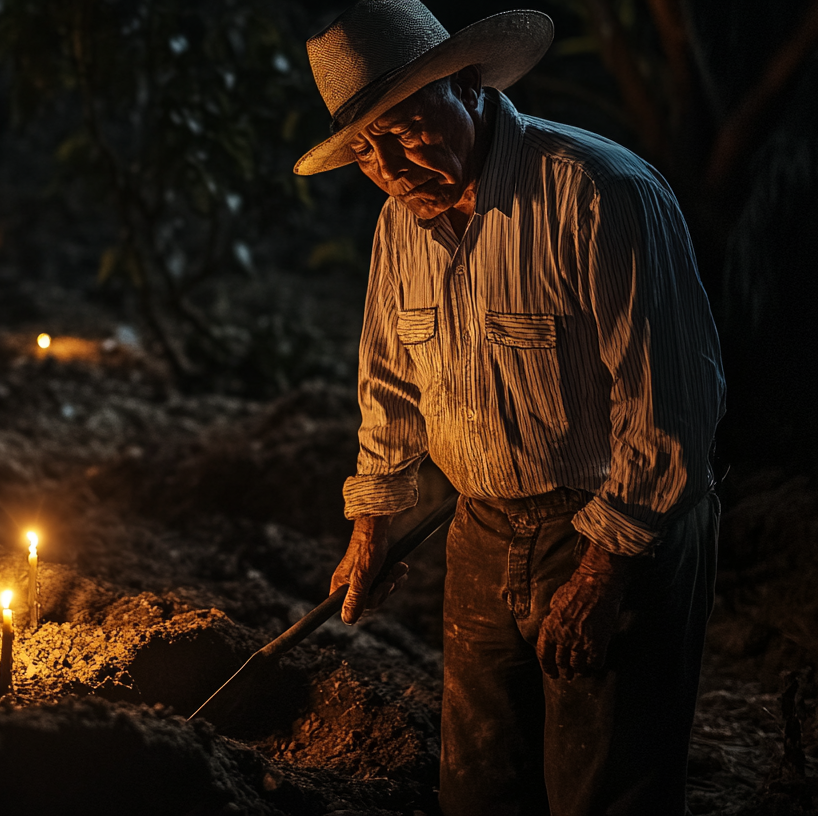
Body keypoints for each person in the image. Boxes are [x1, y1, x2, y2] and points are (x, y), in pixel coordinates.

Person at [294, 1, 726, 814]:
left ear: (466, 86)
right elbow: (389, 385)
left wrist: (607, 568)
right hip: (483, 530)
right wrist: (372, 527)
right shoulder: (400, 223)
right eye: (367, 149)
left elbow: (670, 406)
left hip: (615, 526)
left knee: (603, 789)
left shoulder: (597, 193)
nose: (390, 166)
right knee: (481, 786)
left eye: (407, 127)